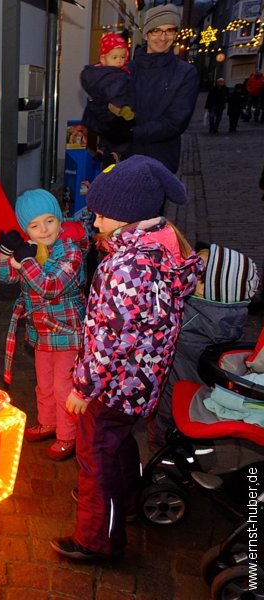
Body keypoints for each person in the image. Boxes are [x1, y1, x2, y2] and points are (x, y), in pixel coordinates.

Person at [50, 155, 203, 561]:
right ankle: (127, 501)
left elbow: (111, 338)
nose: (95, 222)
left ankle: (97, 538)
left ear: (127, 214)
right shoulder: (159, 247)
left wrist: (84, 386)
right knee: (116, 445)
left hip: (116, 384)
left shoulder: (128, 265)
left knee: (95, 455)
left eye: (101, 215)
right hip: (141, 381)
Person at [0, 190, 87, 461]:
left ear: (60, 221)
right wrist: (5, 252)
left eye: (49, 221)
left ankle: (67, 434)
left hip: (68, 332)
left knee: (64, 387)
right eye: (34, 225)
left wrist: (25, 260)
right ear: (26, 231)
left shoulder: (70, 251)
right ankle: (48, 422)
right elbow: (6, 277)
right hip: (40, 332)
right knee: (44, 382)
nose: (44, 229)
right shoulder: (29, 250)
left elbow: (50, 286)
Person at [148, 243, 260, 452]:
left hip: (174, 392)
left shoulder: (189, 317)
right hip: (202, 389)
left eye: (194, 268)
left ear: (203, 287)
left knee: (166, 425)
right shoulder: (232, 315)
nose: (186, 267)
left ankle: (163, 454)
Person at [125, 5, 199, 173]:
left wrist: (130, 133)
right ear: (146, 34)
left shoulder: (185, 73)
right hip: (124, 158)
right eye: (156, 30)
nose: (163, 37)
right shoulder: (127, 69)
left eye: (169, 31)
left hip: (159, 162)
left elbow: (175, 122)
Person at [80, 32, 135, 167]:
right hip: (114, 118)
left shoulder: (94, 73)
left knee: (105, 140)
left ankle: (102, 151)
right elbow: (116, 95)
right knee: (121, 142)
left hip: (96, 122)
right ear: (103, 59)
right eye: (114, 57)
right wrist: (125, 108)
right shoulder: (114, 76)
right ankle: (112, 154)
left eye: (122, 57)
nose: (119, 61)